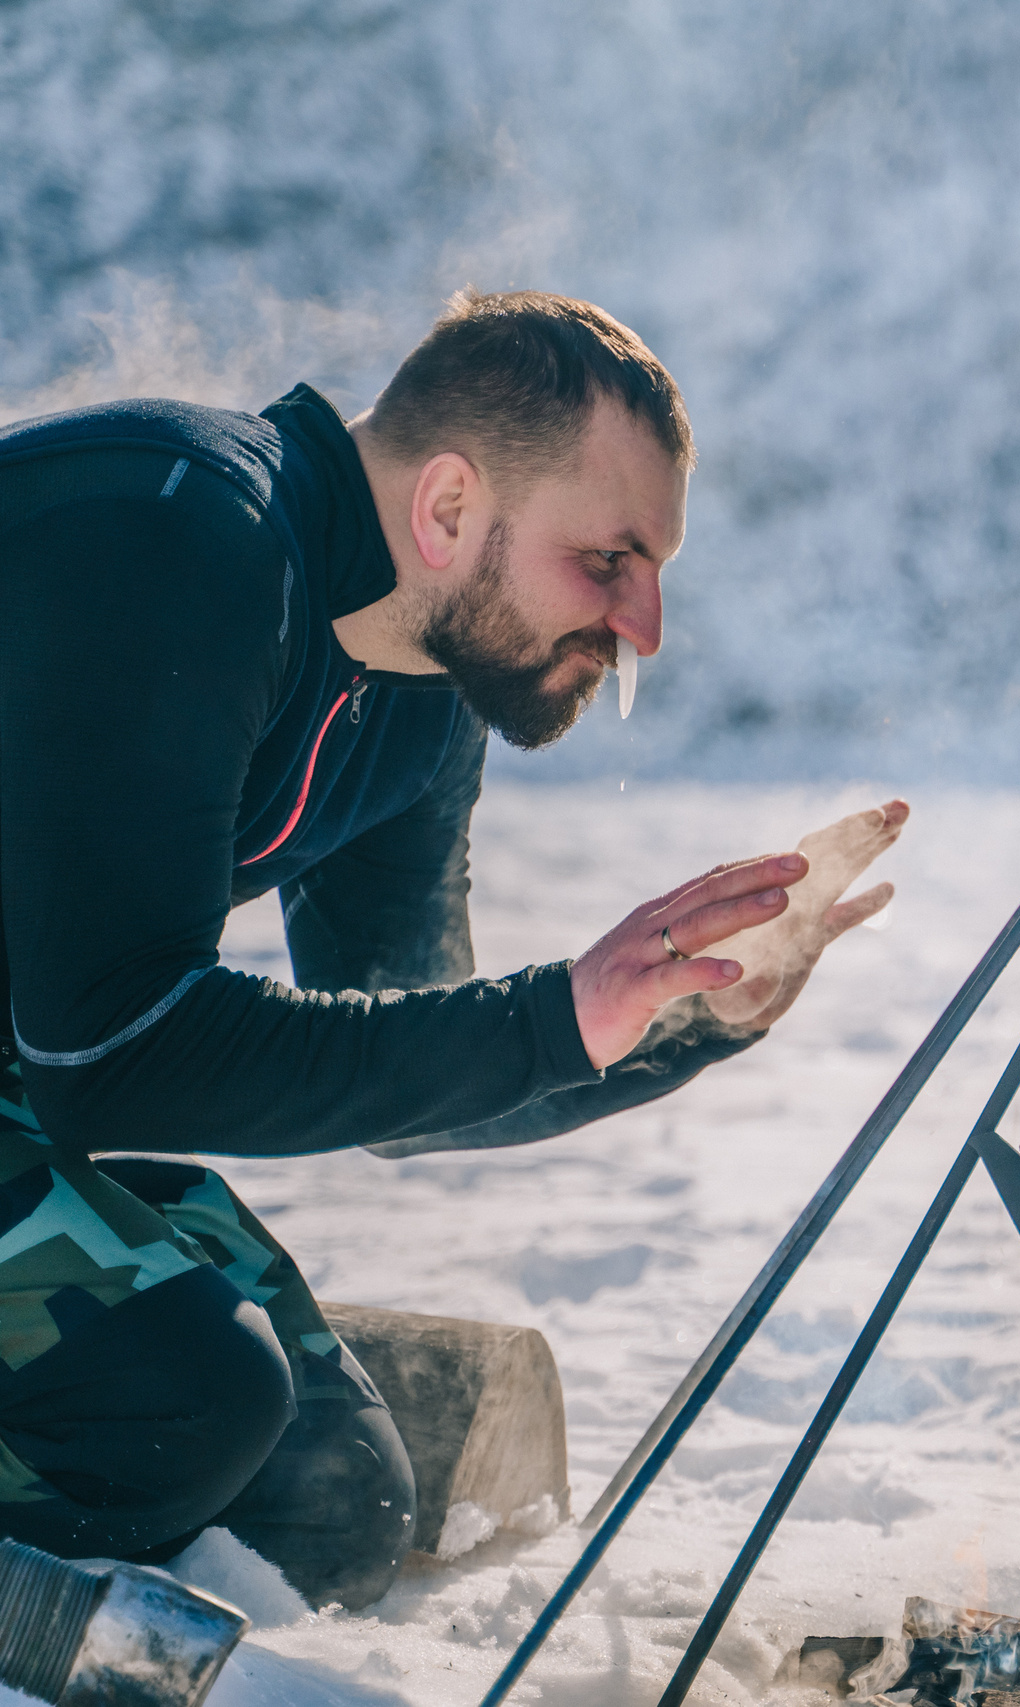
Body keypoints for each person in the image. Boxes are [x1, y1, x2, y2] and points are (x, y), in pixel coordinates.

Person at [0, 289, 900, 1610]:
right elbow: (116, 1054)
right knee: (180, 1403)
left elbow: (413, 1057)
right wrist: (553, 1012)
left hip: (38, 1067)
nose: (645, 624)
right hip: (66, 1060)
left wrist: (678, 1012)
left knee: (336, 1491)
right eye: (610, 559)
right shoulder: (184, 540)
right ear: (448, 509)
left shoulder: (421, 701)